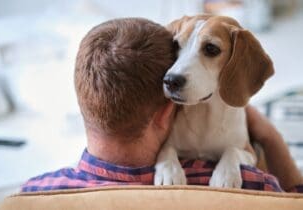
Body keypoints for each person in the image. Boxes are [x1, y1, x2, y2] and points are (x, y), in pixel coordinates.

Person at [21, 18, 303, 193]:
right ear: (166, 111)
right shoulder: (259, 188)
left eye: (209, 50)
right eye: (178, 48)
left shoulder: (29, 194)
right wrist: (269, 136)